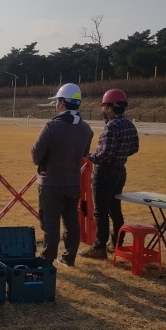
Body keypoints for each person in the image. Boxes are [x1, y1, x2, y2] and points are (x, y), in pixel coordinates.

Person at [32, 83, 94, 267]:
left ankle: (47, 259)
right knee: (71, 222)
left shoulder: (52, 126)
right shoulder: (86, 129)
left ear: (61, 103)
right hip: (72, 182)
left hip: (51, 183)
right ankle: (69, 257)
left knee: (50, 223)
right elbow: (84, 153)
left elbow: (36, 156)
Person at [81, 88, 139, 259]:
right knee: (115, 209)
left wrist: (88, 156)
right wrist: (120, 155)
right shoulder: (129, 124)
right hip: (120, 171)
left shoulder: (111, 127)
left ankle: (99, 248)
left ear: (109, 107)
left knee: (100, 212)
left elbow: (103, 155)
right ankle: (117, 243)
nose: (102, 110)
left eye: (103, 106)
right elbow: (134, 148)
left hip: (105, 172)